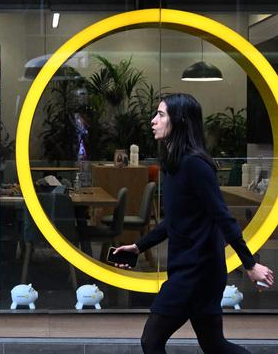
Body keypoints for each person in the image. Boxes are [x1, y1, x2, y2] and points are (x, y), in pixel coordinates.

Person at [112, 93, 274, 354]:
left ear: (180, 121)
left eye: (161, 115)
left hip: (197, 272)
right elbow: (175, 220)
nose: (153, 121)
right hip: (191, 268)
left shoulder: (195, 165)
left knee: (151, 341)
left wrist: (250, 264)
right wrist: (139, 247)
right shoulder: (174, 165)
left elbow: (223, 217)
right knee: (214, 344)